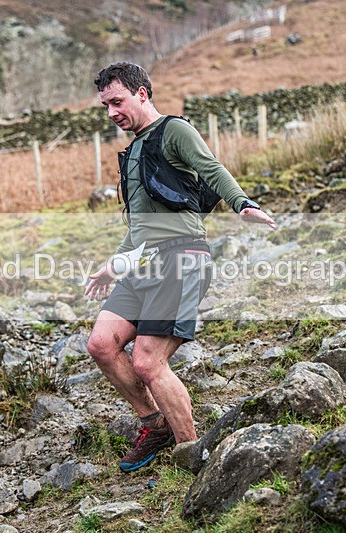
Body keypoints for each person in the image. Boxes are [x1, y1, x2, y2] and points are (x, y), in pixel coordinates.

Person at [84, 61, 277, 473]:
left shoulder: (174, 130)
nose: (111, 113)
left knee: (147, 362)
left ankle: (193, 455)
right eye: (105, 106)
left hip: (182, 257)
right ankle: (155, 425)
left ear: (142, 93)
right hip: (143, 264)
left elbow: (212, 169)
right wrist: (113, 266)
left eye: (117, 102)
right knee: (101, 344)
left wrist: (242, 204)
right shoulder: (133, 151)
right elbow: (139, 226)